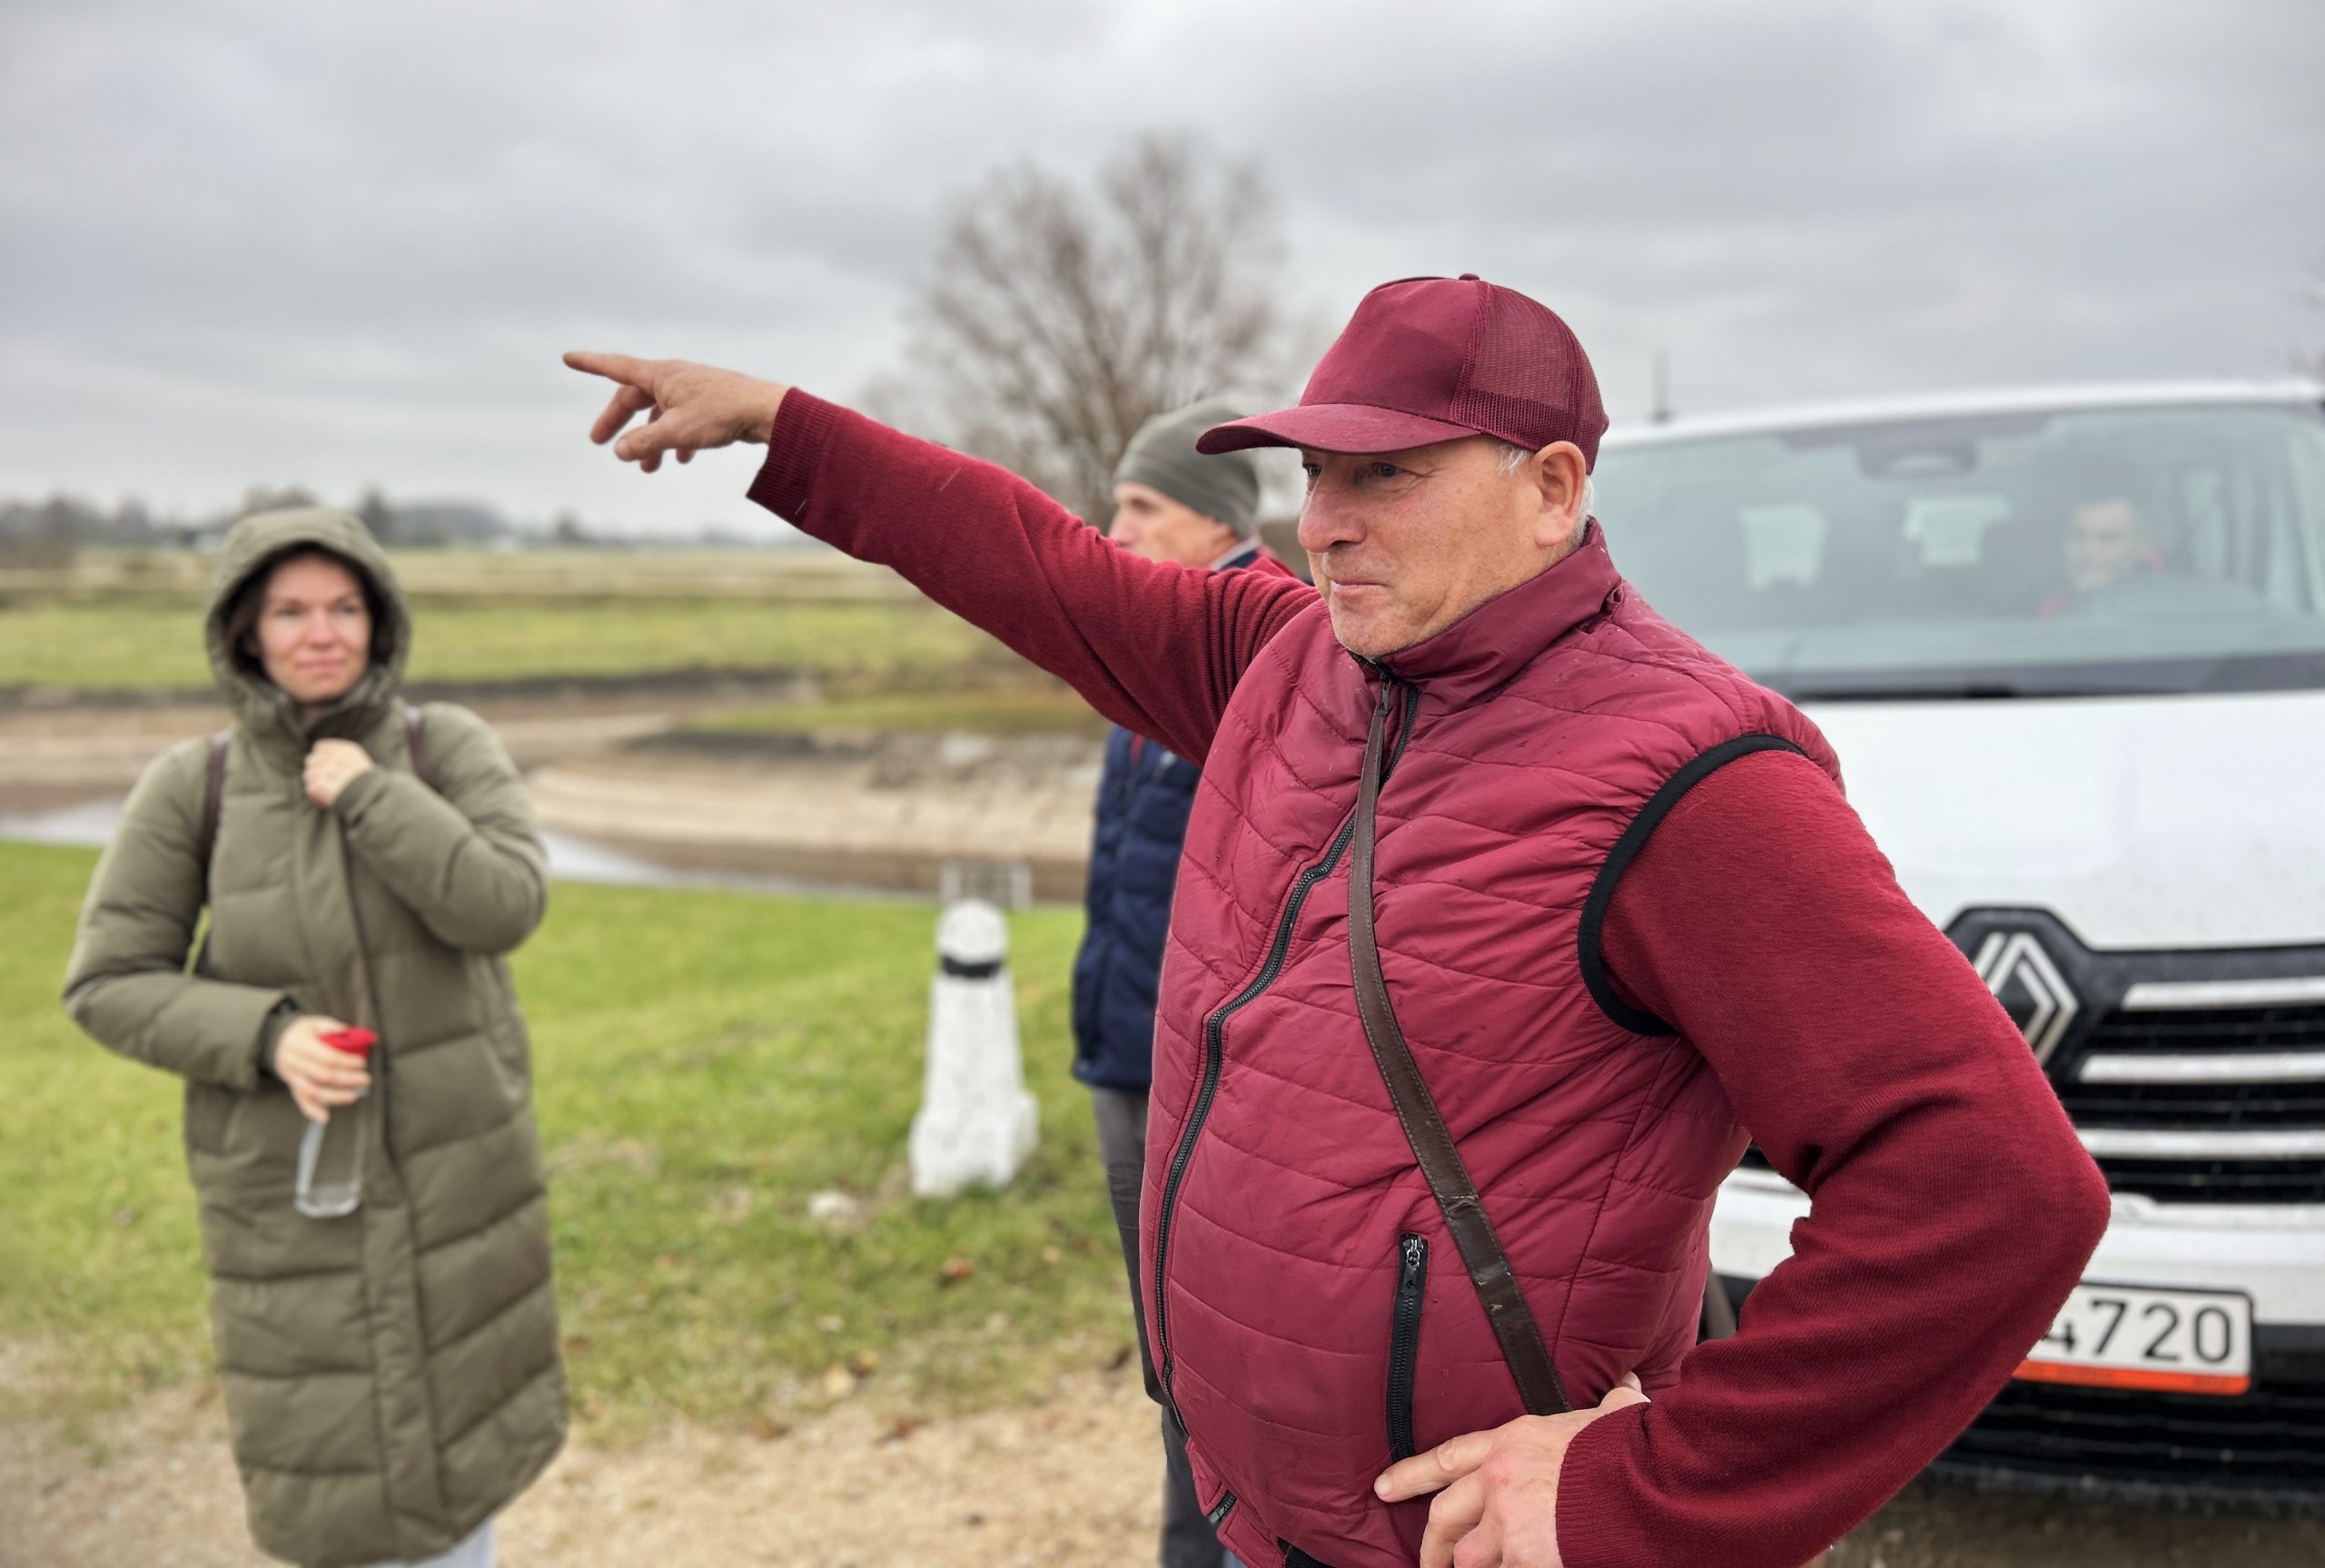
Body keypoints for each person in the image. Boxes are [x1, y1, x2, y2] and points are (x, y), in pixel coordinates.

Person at [566, 274, 2110, 1568]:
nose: (1325, 525)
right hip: (1268, 1513)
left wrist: (1639, 1493)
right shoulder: (1290, 660)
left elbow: (1993, 1189)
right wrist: (788, 425)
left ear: (1553, 489)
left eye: (1387, 475)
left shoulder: (1695, 779)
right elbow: (1042, 568)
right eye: (1314, 475)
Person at [62, 508, 565, 1568]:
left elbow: (504, 906)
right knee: (331, 1478)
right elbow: (106, 982)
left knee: (466, 1463)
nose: (321, 632)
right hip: (289, 1194)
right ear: (244, 632)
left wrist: (373, 796)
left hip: (458, 1178)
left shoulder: (444, 747)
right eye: (290, 611)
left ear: (380, 621)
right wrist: (267, 1036)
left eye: (343, 607)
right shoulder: (192, 786)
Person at [1080, 402, 1292, 1568]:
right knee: (1169, 1371)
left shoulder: (1260, 658)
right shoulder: (1151, 654)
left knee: (1222, 1371)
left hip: (1208, 1090)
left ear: (1216, 522)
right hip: (1124, 1060)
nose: (1114, 532)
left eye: (1141, 508)